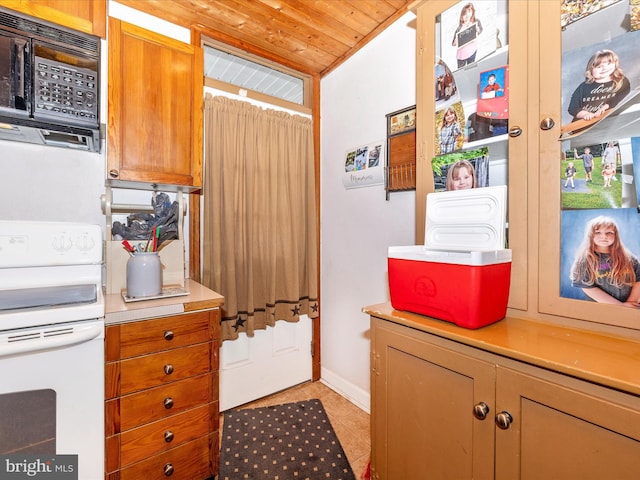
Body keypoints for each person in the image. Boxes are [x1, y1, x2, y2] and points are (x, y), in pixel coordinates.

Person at [570, 216, 640, 306]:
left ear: (616, 235)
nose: (604, 236)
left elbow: (638, 280)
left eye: (609, 233)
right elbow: (588, 288)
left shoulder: (629, 258)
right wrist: (621, 306)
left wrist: (630, 303)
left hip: (630, 306)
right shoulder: (584, 260)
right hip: (600, 309)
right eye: (598, 232)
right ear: (590, 235)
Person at [567, 49, 630, 122]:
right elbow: (573, 108)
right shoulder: (583, 86)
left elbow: (623, 97)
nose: (605, 68)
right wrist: (585, 114)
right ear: (590, 70)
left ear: (615, 63)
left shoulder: (621, 81)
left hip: (608, 123)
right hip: (584, 125)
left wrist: (606, 107)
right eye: (599, 67)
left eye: (609, 63)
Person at [451, 3, 483, 68]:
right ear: (461, 16)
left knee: (471, 69)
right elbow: (453, 43)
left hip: (472, 51)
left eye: (469, 11)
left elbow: (480, 30)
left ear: (472, 12)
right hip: (462, 55)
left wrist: (478, 30)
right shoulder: (459, 28)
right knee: (461, 72)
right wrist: (456, 40)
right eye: (464, 15)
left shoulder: (476, 21)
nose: (466, 16)